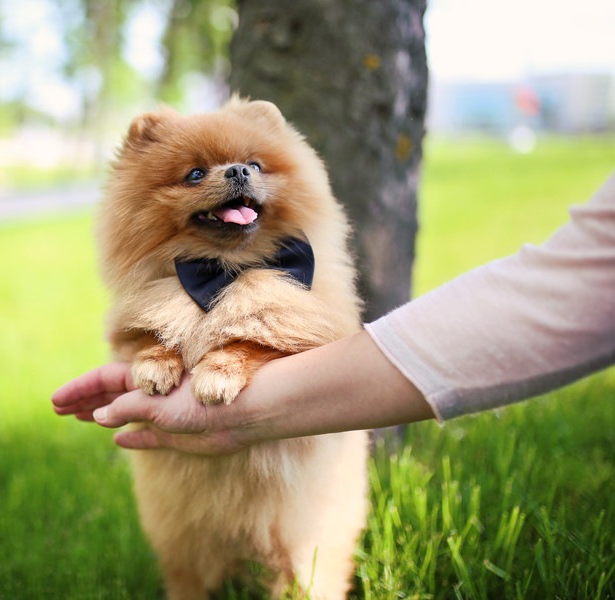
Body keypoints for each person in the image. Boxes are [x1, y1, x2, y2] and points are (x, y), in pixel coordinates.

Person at [52, 174, 615, 455]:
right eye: (195, 174)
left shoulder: (304, 275)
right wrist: (161, 348)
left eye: (251, 164)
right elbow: (583, 278)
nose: (236, 175)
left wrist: (245, 358)